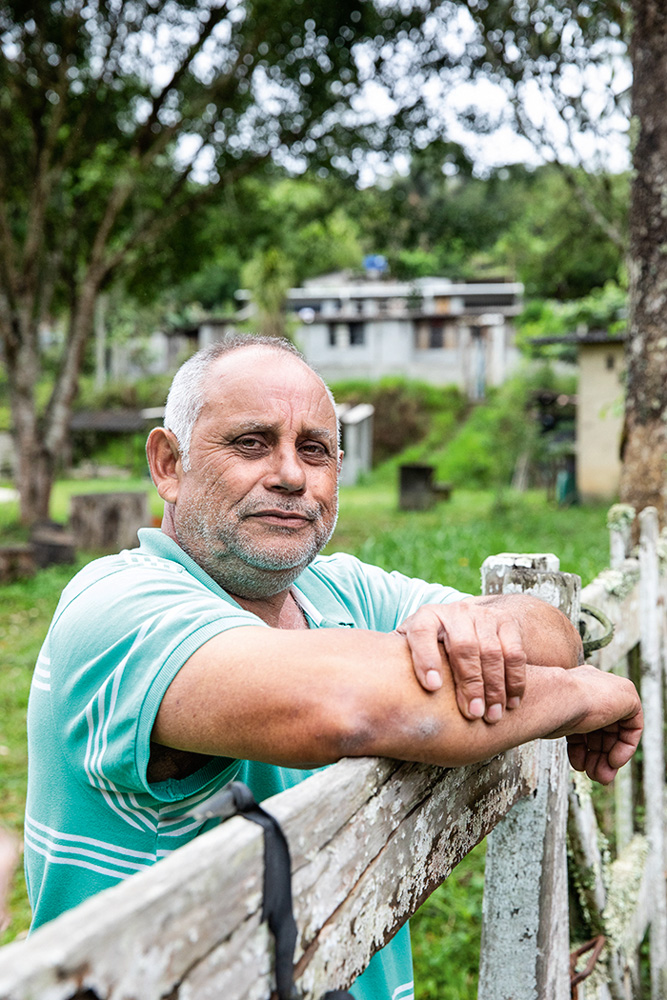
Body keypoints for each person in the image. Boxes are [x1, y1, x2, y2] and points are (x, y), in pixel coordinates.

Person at [25, 335, 643, 1000]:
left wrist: (493, 623)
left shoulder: (339, 590)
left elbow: (550, 629)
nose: (290, 474)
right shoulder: (114, 608)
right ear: (168, 463)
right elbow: (349, 706)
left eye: (314, 449)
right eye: (251, 443)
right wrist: (581, 694)